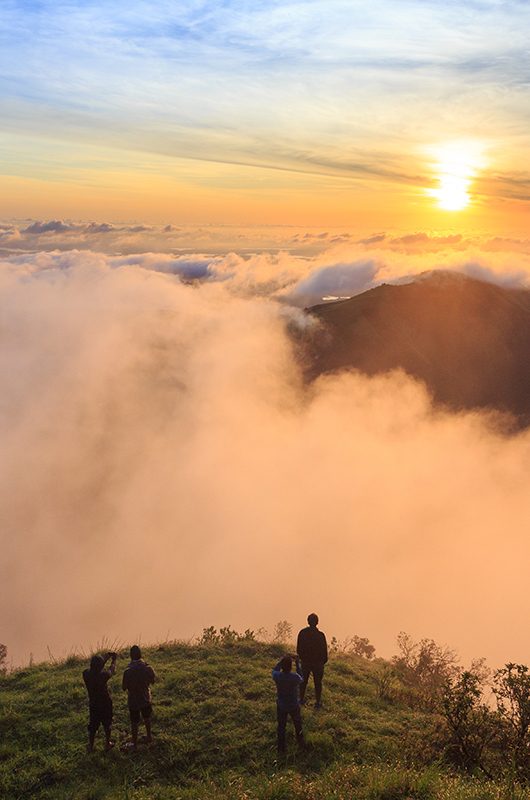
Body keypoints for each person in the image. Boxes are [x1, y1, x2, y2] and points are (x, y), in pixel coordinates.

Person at [122, 645, 156, 749]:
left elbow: (124, 687)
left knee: (134, 722)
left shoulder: (127, 672)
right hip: (145, 698)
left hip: (133, 700)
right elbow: (153, 681)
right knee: (147, 717)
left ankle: (134, 743)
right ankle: (149, 736)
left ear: (131, 656)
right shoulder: (148, 668)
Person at [82, 651, 117, 752]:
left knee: (93, 725)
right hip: (105, 703)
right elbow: (112, 670)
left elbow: (96, 667)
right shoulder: (104, 676)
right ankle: (107, 743)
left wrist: (106, 658)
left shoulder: (86, 674)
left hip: (93, 703)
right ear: (101, 666)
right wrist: (113, 660)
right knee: (107, 724)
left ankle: (91, 746)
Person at [272, 654, 305, 754]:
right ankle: (301, 743)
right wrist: (297, 664)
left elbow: (274, 670)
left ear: (282, 666)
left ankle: (281, 748)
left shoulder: (278, 676)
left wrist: (281, 661)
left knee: (281, 726)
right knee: (298, 724)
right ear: (291, 666)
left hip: (281, 705)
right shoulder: (295, 678)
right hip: (293, 705)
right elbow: (302, 678)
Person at [297, 613, 328, 708]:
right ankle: (318, 702)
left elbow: (299, 649)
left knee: (303, 682)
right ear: (317, 622)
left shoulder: (302, 633)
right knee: (318, 683)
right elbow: (324, 651)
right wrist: (322, 662)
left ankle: (301, 700)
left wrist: (303, 659)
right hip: (318, 663)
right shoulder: (321, 635)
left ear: (308, 621)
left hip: (306, 662)